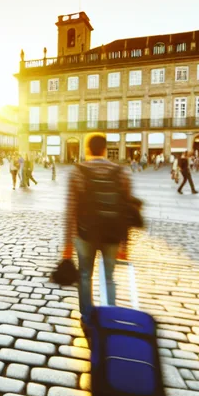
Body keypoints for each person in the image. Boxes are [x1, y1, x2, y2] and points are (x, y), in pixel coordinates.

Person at [62, 134, 139, 324]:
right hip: (112, 234)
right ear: (105, 150)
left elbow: (71, 209)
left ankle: (87, 316)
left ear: (88, 149)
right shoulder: (121, 172)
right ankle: (109, 316)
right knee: (109, 277)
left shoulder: (77, 172)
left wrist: (67, 244)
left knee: (84, 275)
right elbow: (127, 210)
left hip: (85, 233)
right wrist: (125, 244)